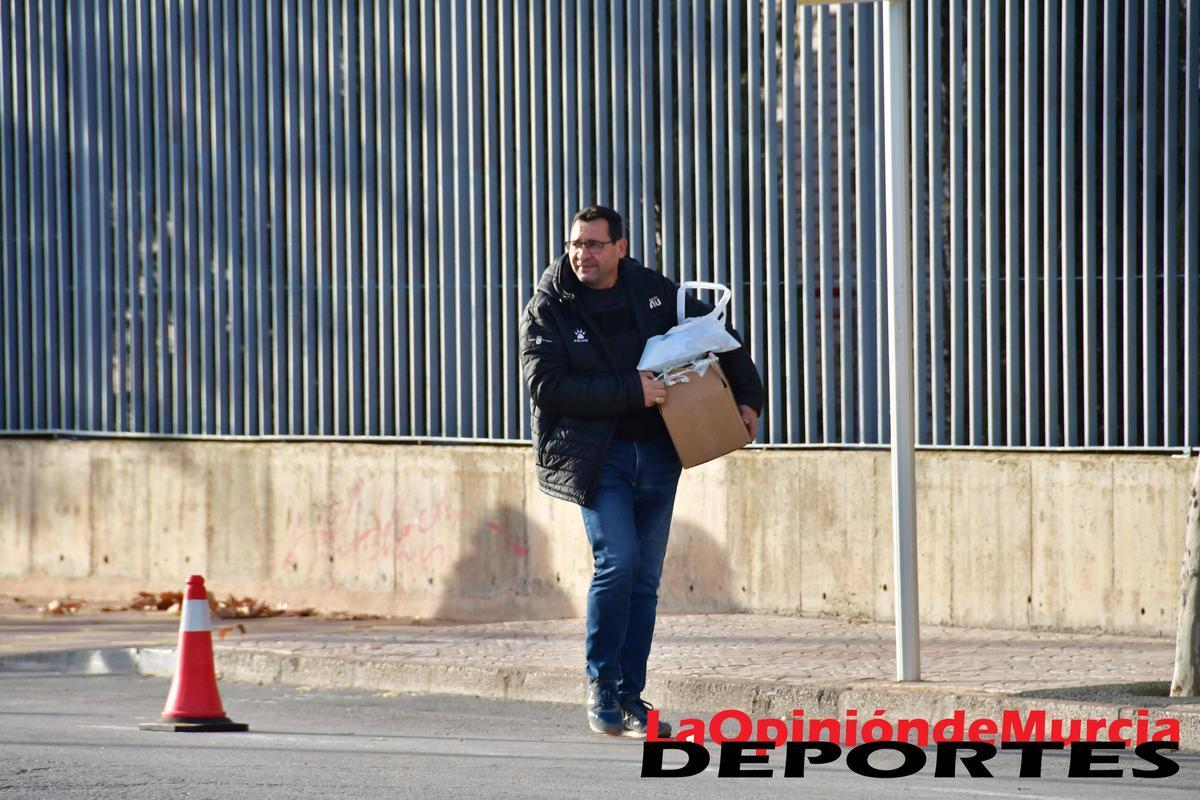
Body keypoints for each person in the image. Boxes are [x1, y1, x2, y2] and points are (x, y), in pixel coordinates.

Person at [519, 205, 763, 737]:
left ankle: (631, 696)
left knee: (645, 581)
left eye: (596, 245)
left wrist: (749, 395)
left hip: (657, 454)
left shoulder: (655, 292)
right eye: (577, 244)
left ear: (621, 247)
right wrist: (634, 391)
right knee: (619, 562)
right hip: (595, 459)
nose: (584, 254)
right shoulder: (548, 307)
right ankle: (601, 686)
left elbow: (715, 332)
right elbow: (547, 387)